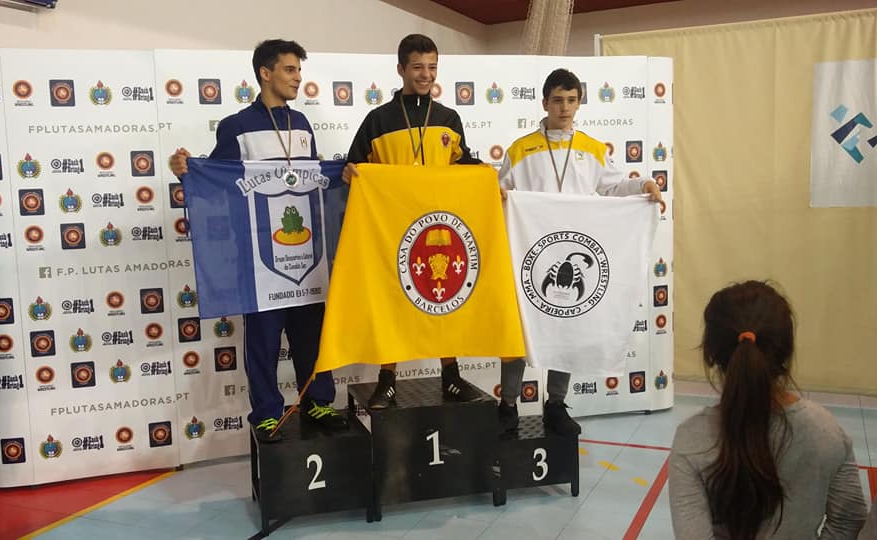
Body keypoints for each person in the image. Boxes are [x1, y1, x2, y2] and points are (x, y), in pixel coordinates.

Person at [169, 39, 347, 442]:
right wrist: (185, 170)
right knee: (264, 341)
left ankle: (318, 401)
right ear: (265, 73)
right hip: (260, 260)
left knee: (311, 335)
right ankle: (267, 412)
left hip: (306, 255)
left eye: (299, 70)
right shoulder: (236, 126)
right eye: (289, 70)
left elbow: (315, 179)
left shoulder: (301, 124)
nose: (297, 78)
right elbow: (217, 181)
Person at [496, 68, 664, 435]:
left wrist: (644, 185)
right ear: (545, 102)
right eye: (558, 100)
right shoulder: (520, 149)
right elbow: (499, 193)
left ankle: (555, 404)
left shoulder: (592, 148)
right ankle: (507, 405)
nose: (565, 108)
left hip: (574, 247)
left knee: (568, 324)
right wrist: (501, 195)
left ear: (579, 102)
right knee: (521, 329)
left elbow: (616, 187)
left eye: (572, 100)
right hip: (530, 253)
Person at [342, 33, 485, 409]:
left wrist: (486, 178)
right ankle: (387, 378)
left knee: (444, 296)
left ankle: (451, 376)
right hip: (392, 230)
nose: (426, 75)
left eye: (432, 67)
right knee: (392, 299)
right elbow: (356, 165)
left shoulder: (448, 119)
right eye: (418, 67)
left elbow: (461, 165)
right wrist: (351, 171)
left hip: (438, 227)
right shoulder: (378, 120)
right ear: (401, 69)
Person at [669, 280, 867, 539]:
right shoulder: (826, 431)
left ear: (711, 355)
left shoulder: (691, 440)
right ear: (786, 353)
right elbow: (848, 521)